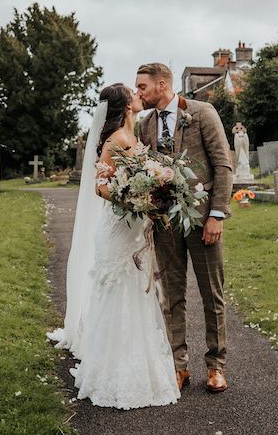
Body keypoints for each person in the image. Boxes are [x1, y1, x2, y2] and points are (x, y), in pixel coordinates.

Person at [47, 83, 179, 409]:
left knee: (136, 291)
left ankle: (136, 361)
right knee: (118, 289)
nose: (138, 94)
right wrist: (132, 198)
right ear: (125, 105)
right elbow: (100, 187)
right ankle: (110, 370)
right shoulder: (115, 139)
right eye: (132, 93)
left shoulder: (133, 138)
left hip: (133, 228)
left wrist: (153, 195)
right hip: (117, 227)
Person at [136, 63, 233, 393]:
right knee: (172, 298)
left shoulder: (202, 113)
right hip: (166, 223)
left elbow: (222, 165)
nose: (139, 94)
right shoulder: (145, 124)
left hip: (203, 217)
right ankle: (178, 367)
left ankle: (216, 366)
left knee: (212, 295)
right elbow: (146, 171)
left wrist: (217, 214)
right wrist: (149, 206)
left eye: (143, 87)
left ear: (162, 85)